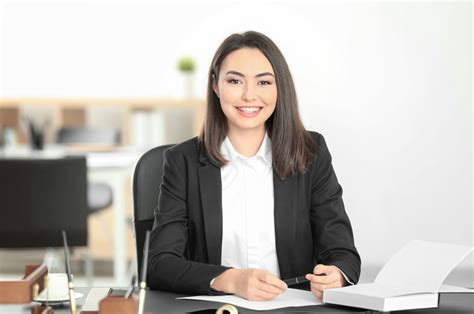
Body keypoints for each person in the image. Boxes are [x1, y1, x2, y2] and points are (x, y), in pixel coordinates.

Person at [147, 31, 361, 301]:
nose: (249, 95)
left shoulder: (311, 152)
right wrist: (230, 279)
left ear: (279, 88)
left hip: (294, 306)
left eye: (263, 82)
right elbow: (159, 264)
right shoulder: (183, 161)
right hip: (219, 307)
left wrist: (337, 274)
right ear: (216, 85)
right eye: (235, 80)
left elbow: (343, 253)